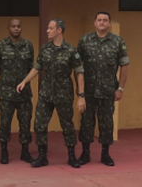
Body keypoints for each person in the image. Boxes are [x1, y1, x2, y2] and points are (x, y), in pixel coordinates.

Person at [16, 19, 83, 168]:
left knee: (67, 125)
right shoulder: (45, 49)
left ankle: (72, 156)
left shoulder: (71, 50)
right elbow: (37, 68)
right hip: (46, 94)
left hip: (64, 94)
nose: (47, 30)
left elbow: (79, 73)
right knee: (39, 124)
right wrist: (24, 81)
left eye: (50, 28)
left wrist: (81, 95)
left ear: (59, 30)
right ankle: (42, 156)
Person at [77, 11, 129, 167]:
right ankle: (85, 153)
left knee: (106, 123)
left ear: (109, 24)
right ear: (95, 23)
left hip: (108, 91)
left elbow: (124, 65)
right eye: (99, 20)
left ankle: (105, 154)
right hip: (89, 90)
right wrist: (80, 91)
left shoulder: (117, 41)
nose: (101, 22)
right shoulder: (85, 40)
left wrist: (120, 88)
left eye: (105, 20)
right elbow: (78, 66)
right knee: (87, 122)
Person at [0, 18, 35, 164]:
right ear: (8, 28)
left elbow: (32, 67)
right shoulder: (1, 45)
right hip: (6, 92)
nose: (16, 28)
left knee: (25, 123)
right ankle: (4, 151)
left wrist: (23, 80)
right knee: (5, 123)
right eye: (13, 26)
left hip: (24, 92)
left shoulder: (28, 45)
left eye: (18, 26)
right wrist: (8, 78)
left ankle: (25, 151)